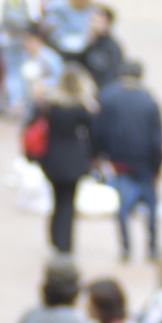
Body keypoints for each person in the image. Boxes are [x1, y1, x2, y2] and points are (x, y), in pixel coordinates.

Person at [94, 60, 162, 262]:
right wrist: (158, 166)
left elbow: (98, 130)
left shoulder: (107, 96)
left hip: (120, 162)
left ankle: (126, 246)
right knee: (151, 207)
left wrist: (98, 155)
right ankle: (152, 247)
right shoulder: (149, 101)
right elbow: (157, 139)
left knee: (123, 207)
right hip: (144, 164)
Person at [31, 63, 97, 254]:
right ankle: (65, 243)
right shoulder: (81, 108)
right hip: (74, 160)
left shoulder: (51, 106)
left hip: (52, 158)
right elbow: (92, 133)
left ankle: (54, 239)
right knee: (68, 203)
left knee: (56, 200)